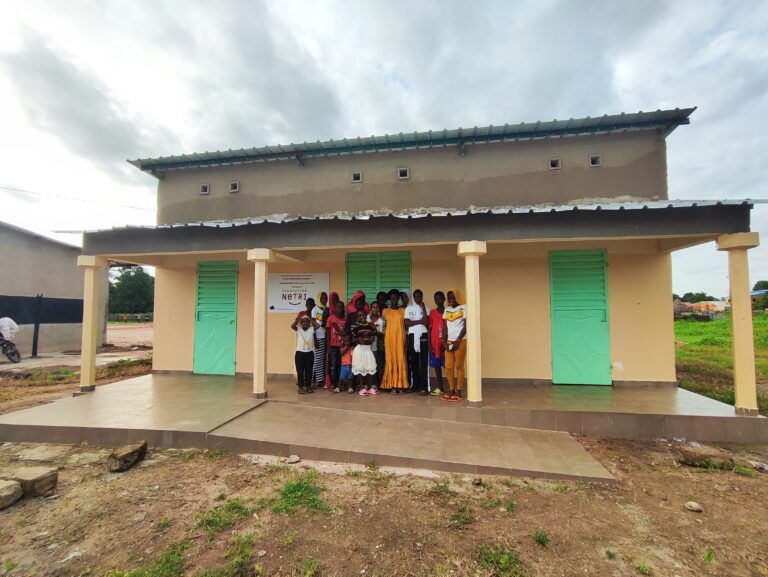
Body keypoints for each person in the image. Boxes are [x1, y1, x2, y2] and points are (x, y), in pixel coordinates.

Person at [381, 288, 409, 393]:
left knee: (400, 360)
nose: (394, 300)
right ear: (390, 299)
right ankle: (392, 385)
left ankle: (401, 385)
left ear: (398, 299)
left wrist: (405, 340)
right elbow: (383, 327)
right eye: (392, 298)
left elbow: (406, 327)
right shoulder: (385, 311)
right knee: (390, 360)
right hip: (389, 340)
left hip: (400, 339)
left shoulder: (403, 311)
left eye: (395, 298)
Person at [441, 288, 467, 402]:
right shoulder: (446, 310)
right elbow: (445, 327)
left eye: (453, 297)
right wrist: (443, 341)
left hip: (460, 341)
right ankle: (451, 390)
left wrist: (458, 340)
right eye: (449, 298)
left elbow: (466, 326)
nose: (451, 300)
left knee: (459, 366)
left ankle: (459, 391)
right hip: (449, 341)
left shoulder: (464, 307)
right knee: (448, 366)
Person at [405, 289, 430, 395]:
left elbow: (426, 322)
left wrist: (423, 308)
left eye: (419, 296)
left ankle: (424, 387)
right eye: (416, 296)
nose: (417, 298)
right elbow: (406, 323)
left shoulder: (426, 307)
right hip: (412, 335)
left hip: (423, 335)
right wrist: (420, 321)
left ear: (422, 297)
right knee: (413, 362)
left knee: (423, 362)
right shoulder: (408, 308)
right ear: (413, 297)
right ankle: (415, 385)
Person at [290, 315, 317, 394]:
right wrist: (297, 320)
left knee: (309, 371)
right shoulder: (299, 330)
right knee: (300, 371)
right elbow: (292, 326)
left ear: (309, 323)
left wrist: (312, 320)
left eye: (307, 322)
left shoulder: (311, 329)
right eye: (303, 322)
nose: (305, 323)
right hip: (299, 354)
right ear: (301, 323)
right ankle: (301, 387)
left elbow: (318, 326)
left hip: (309, 353)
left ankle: (308, 386)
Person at [351, 318, 378, 396]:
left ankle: (370, 388)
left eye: (363, 315)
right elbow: (352, 340)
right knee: (360, 368)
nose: (362, 317)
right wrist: (358, 339)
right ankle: (362, 388)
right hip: (359, 349)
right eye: (360, 315)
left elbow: (374, 335)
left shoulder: (370, 327)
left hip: (368, 349)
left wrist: (373, 337)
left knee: (371, 367)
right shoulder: (356, 327)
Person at [428, 291, 446, 396]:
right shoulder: (432, 313)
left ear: (444, 299)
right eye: (436, 299)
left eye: (439, 298)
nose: (438, 301)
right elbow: (430, 328)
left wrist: (445, 343)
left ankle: (452, 387)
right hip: (435, 344)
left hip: (445, 345)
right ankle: (440, 387)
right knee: (437, 366)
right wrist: (430, 344)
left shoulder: (448, 312)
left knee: (448, 366)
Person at [326, 294, 346, 390]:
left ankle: (339, 383)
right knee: (333, 366)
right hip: (333, 346)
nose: (340, 309)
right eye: (338, 307)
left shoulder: (345, 319)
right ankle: (333, 384)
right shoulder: (330, 318)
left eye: (342, 307)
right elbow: (327, 333)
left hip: (342, 346)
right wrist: (328, 346)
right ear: (335, 308)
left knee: (341, 365)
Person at [311, 292, 328, 388]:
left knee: (322, 360)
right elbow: (313, 322)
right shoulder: (315, 309)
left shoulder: (327, 309)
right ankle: (312, 380)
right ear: (319, 298)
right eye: (322, 298)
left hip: (325, 336)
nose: (324, 299)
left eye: (325, 298)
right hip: (318, 337)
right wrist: (315, 339)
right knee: (316, 360)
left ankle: (320, 380)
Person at [368, 301, 386, 388]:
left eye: (377, 307)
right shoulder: (366, 318)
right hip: (365, 346)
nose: (375, 309)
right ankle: (366, 383)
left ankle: (375, 384)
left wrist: (374, 330)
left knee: (375, 364)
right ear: (370, 308)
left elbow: (381, 334)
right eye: (373, 307)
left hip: (375, 346)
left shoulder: (381, 320)